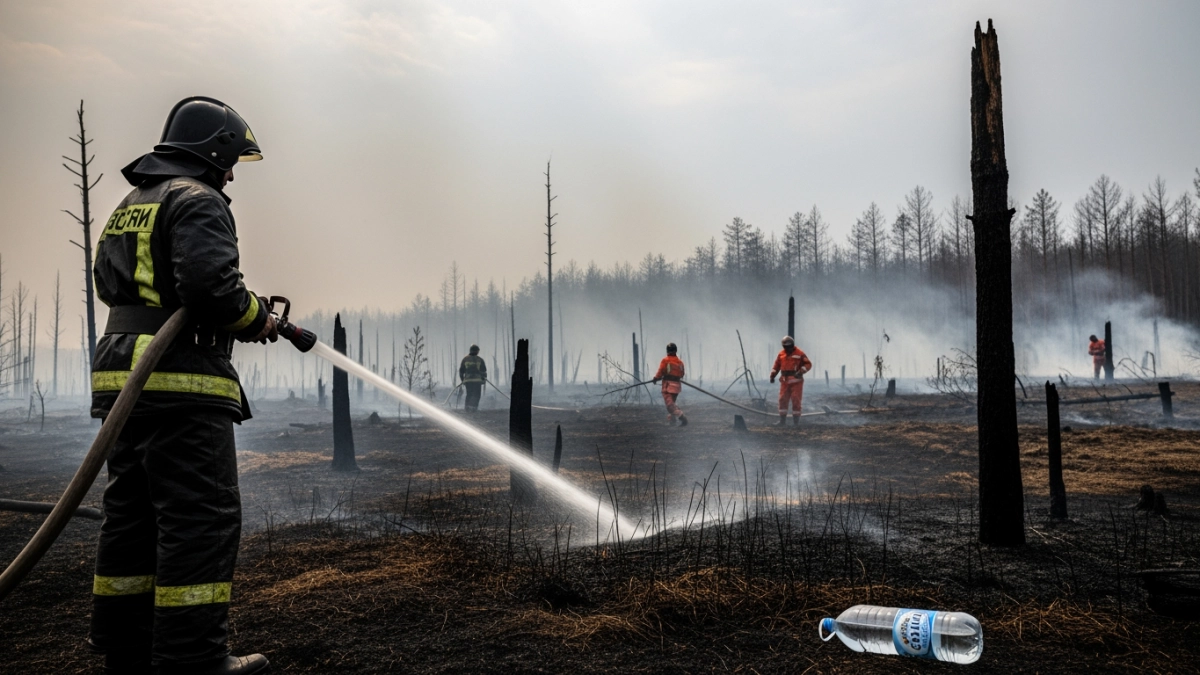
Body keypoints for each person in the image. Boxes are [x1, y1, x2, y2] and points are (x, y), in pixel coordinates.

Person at [88, 97, 274, 675]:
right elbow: (212, 289)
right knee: (201, 520)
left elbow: (107, 283)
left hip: (126, 389)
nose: (232, 173)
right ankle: (194, 659)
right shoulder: (199, 200)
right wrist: (258, 318)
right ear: (213, 151)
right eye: (231, 160)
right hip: (181, 384)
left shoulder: (130, 204)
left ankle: (127, 650)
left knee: (133, 519)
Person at [769, 336, 812, 426]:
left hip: (796, 381)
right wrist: (772, 376)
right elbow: (776, 366)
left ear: (792, 345)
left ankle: (796, 423)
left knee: (796, 399)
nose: (788, 348)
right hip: (784, 381)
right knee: (782, 399)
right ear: (783, 346)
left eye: (789, 346)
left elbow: (808, 364)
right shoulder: (781, 354)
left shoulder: (800, 353)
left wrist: (800, 372)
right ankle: (782, 421)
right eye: (786, 347)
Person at [652, 343, 688, 426]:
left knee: (670, 406)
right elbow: (682, 374)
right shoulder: (680, 362)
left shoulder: (666, 360)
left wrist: (656, 378)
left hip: (668, 386)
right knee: (672, 403)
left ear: (667, 351)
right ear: (676, 351)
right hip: (676, 387)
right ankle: (672, 420)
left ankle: (681, 416)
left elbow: (661, 371)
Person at [459, 345, 487, 411]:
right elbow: (483, 371)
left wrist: (462, 380)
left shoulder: (465, 359)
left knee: (469, 394)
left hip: (468, 380)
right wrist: (484, 379)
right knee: (477, 395)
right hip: (477, 381)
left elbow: (461, 371)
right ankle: (474, 408)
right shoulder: (480, 359)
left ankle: (467, 408)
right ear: (477, 351)